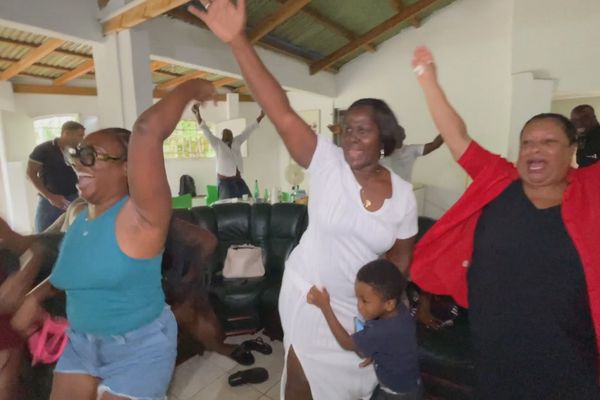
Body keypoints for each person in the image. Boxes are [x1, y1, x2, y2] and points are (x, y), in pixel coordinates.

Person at [188, 2, 418, 399]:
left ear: (385, 138)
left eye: (363, 130)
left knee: (352, 386)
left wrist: (382, 312)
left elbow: (400, 257)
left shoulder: (403, 196)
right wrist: (238, 41)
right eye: (347, 129)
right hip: (311, 294)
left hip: (358, 309)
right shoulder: (327, 162)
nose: (351, 137)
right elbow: (281, 111)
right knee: (301, 381)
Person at [410, 46, 600, 399]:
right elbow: (456, 137)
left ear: (573, 149)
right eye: (526, 143)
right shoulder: (499, 180)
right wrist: (428, 81)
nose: (534, 150)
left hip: (569, 360)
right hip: (495, 352)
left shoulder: (592, 190)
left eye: (548, 142)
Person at [10, 78, 218, 400]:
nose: (79, 162)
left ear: (126, 169)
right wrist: (35, 297)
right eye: (78, 153)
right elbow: (68, 273)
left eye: (91, 155)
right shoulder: (80, 214)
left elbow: (147, 130)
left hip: (138, 350)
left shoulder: (142, 218)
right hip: (80, 344)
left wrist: (193, 88)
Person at [307, 259, 421, 400]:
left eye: (365, 301)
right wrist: (375, 350)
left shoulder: (381, 330)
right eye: (358, 298)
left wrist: (325, 306)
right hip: (410, 382)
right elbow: (392, 344)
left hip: (396, 393)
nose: (359, 306)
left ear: (389, 304)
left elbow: (347, 343)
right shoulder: (400, 311)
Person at [192, 104, 265, 199]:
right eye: (225, 134)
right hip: (224, 183)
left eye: (229, 133)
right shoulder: (217, 144)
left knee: (249, 201)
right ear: (222, 136)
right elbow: (206, 130)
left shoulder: (237, 141)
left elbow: (248, 130)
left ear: (232, 135)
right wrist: (198, 115)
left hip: (238, 181)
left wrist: (261, 116)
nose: (227, 135)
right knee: (226, 207)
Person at [331, 124, 444, 182]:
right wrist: (341, 133)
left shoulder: (412, 150)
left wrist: (448, 130)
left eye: (400, 135)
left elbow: (435, 144)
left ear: (404, 136)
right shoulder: (382, 151)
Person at [27, 121, 85, 232]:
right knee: (44, 235)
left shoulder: (77, 150)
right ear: (66, 133)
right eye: (79, 135)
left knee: (73, 232)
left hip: (74, 198)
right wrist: (50, 197)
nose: (81, 139)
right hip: (50, 200)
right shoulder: (43, 149)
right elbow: (30, 174)